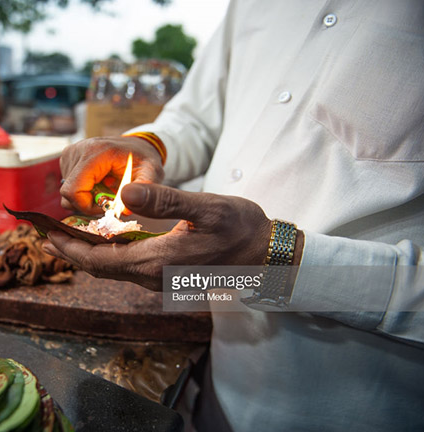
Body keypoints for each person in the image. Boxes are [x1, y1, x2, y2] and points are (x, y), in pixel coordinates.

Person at [43, 1, 424, 431]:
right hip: (223, 381)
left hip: (362, 406)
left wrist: (273, 259)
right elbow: (198, 116)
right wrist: (149, 145)